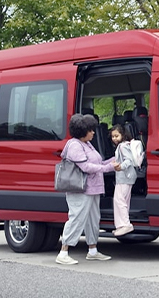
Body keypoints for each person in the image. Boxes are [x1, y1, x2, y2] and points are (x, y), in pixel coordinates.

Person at [56, 114, 121, 265]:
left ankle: (92, 250)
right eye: (90, 130)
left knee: (93, 219)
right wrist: (108, 167)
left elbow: (98, 162)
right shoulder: (74, 145)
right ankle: (63, 251)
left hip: (93, 188)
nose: (93, 132)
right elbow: (85, 167)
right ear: (81, 131)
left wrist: (114, 159)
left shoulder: (87, 144)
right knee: (77, 218)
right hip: (80, 189)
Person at [110, 124, 138, 237]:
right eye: (113, 136)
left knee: (119, 200)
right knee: (124, 201)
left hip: (124, 177)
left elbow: (129, 160)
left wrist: (121, 166)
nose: (114, 138)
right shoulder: (124, 145)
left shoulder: (122, 146)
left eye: (117, 135)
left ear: (123, 135)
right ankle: (121, 225)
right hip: (127, 177)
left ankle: (125, 224)